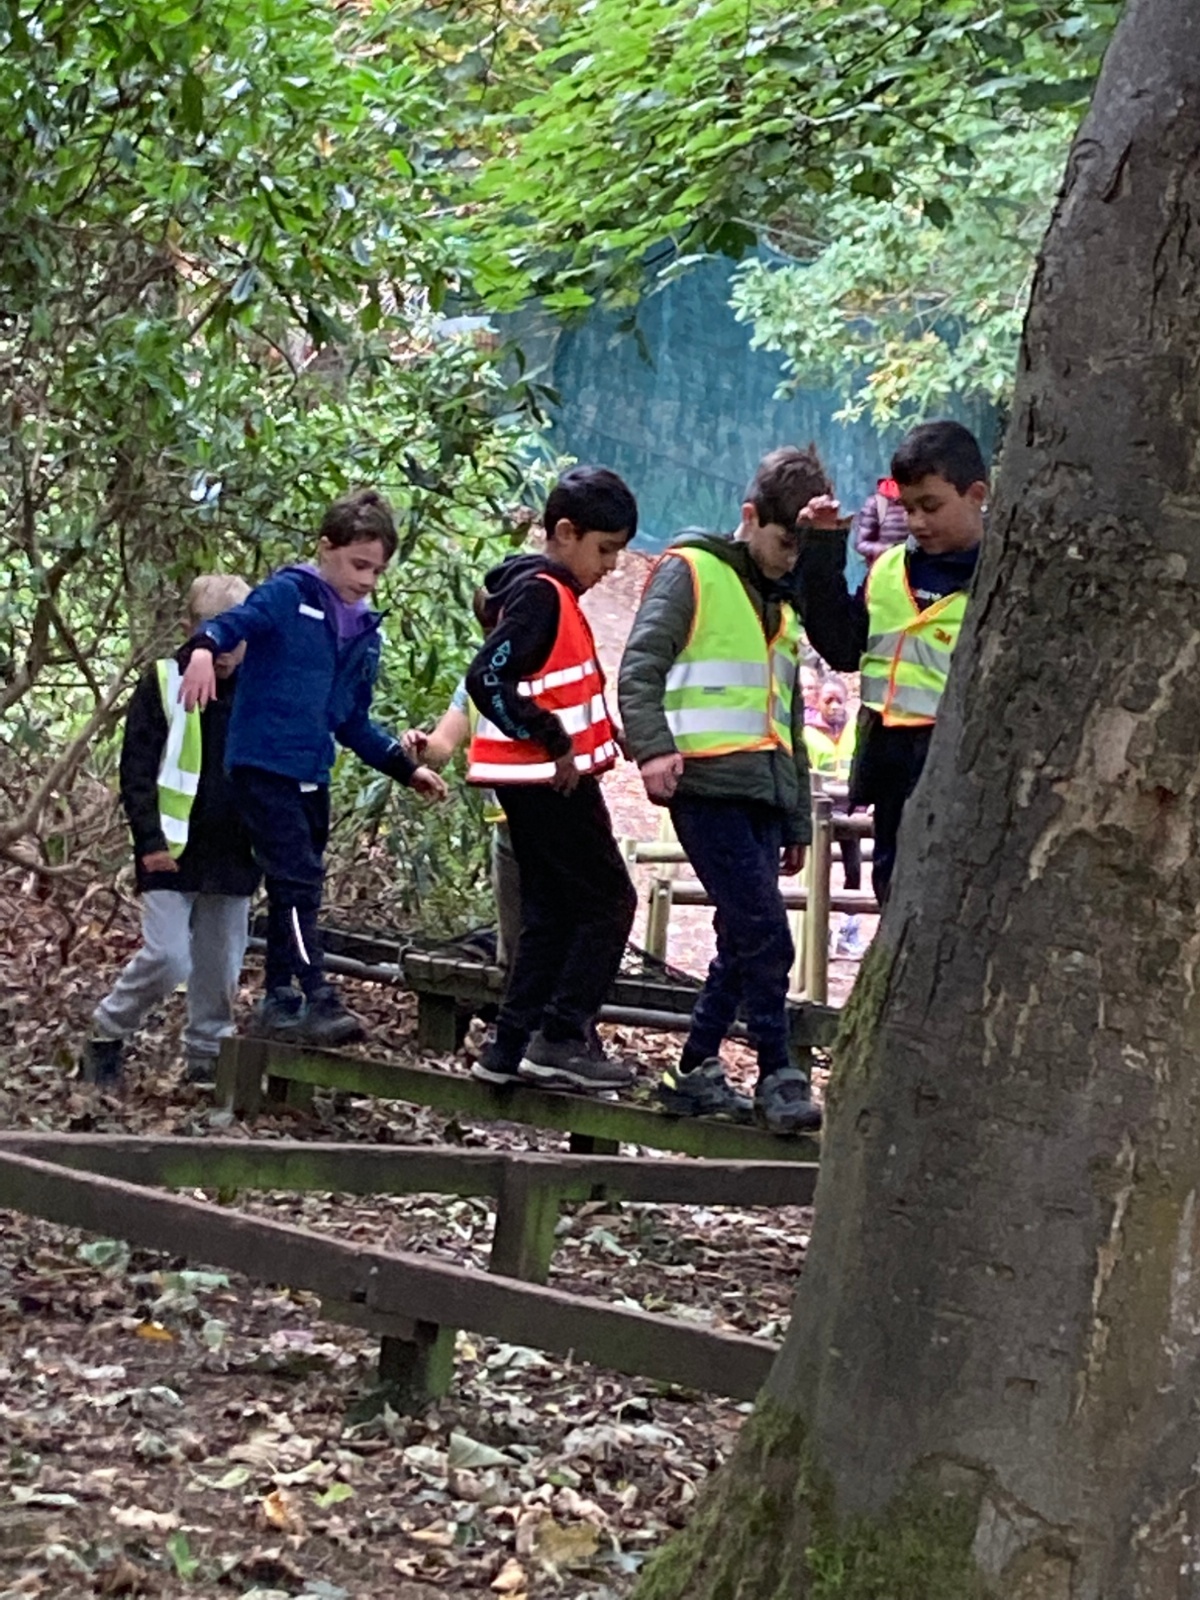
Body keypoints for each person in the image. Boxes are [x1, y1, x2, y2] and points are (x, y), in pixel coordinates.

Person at [619, 445, 841, 1135]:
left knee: (739, 936)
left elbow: (787, 716)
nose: (789, 559)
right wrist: (653, 749)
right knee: (767, 935)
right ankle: (778, 1072)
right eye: (783, 542)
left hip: (764, 794)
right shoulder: (691, 571)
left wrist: (796, 817)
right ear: (750, 516)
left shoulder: (782, 603)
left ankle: (692, 1069)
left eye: (801, 548)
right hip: (705, 785)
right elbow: (640, 667)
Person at [179, 489, 448, 1046]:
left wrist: (404, 768)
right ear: (326, 548)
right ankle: (317, 994)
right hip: (262, 765)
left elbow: (350, 720)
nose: (367, 579)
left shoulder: (364, 632)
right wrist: (204, 648)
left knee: (298, 888)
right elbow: (236, 622)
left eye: (377, 570)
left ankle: (281, 997)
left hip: (311, 772)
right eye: (358, 564)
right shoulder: (290, 595)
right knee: (295, 876)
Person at [464, 466, 639, 1092]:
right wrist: (555, 741)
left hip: (539, 779)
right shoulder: (541, 594)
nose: (610, 567)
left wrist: (601, 732)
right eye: (605, 550)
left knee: (549, 910)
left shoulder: (548, 595)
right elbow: (487, 677)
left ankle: (509, 1047)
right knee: (609, 902)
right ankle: (563, 1036)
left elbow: (554, 685)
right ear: (565, 533)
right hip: (549, 780)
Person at [797, 420, 987, 903]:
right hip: (889, 762)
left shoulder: (1002, 579)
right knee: (892, 888)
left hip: (960, 764)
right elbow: (843, 647)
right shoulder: (887, 569)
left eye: (931, 506)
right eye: (907, 507)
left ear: (976, 495)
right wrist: (821, 550)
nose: (917, 521)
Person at [82, 575, 260, 1091]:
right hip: (171, 849)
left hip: (235, 853)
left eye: (235, 638)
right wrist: (149, 842)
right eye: (213, 634)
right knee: (167, 956)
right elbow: (137, 769)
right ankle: (107, 1030)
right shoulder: (163, 681)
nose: (224, 650)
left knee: (220, 967)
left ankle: (206, 1058)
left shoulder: (260, 688)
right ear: (190, 629)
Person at [803, 674, 864, 954]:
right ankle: (821, 933)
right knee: (819, 872)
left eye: (839, 700)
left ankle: (849, 931)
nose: (835, 706)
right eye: (828, 700)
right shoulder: (809, 734)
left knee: (854, 870)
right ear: (818, 702)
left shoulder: (855, 730)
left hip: (851, 812)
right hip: (821, 811)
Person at [853, 475, 910, 567]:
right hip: (886, 569)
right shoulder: (878, 502)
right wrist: (889, 549)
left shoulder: (918, 499)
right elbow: (861, 544)